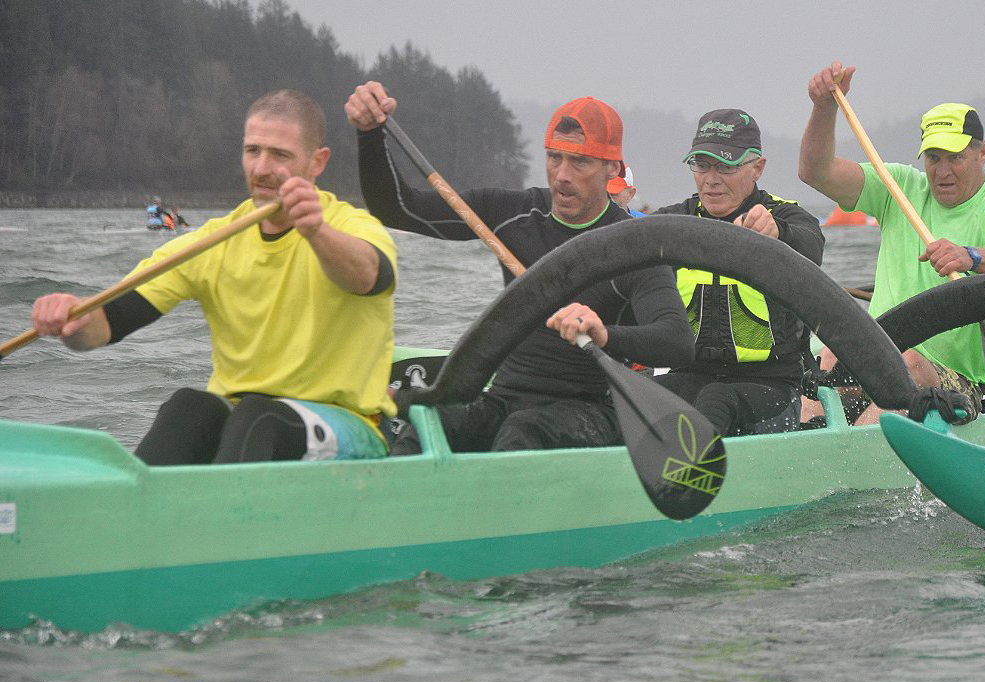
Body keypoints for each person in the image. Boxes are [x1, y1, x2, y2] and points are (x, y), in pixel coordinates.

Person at [30, 90, 399, 465]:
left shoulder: (352, 226)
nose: (261, 168)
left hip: (351, 428)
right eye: (252, 151)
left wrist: (316, 232)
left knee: (260, 417)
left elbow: (368, 276)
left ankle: (222, 516)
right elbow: (109, 323)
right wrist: (72, 321)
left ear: (317, 162)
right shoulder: (213, 240)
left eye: (280, 155)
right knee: (187, 408)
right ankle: (135, 514)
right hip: (247, 421)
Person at [346, 82, 694, 453]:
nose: (562, 174)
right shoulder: (512, 215)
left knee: (522, 433)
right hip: (504, 398)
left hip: (593, 408)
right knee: (428, 430)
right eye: (554, 157)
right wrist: (370, 135)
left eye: (580, 161)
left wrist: (603, 334)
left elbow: (677, 343)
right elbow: (398, 208)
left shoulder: (634, 246)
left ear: (612, 169)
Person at [798, 61, 985, 425]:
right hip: (883, 356)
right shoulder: (898, 189)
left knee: (905, 362)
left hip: (958, 381)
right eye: (934, 159)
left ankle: (853, 454)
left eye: (955, 158)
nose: (942, 172)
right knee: (829, 356)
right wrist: (823, 107)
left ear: (982, 153)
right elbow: (816, 171)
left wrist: (969, 256)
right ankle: (805, 443)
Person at [649, 108, 823, 436]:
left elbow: (812, 246)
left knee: (716, 397)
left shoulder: (786, 217)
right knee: (632, 393)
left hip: (771, 386)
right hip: (691, 375)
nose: (711, 179)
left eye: (726, 166)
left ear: (757, 168)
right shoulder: (672, 221)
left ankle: (691, 476)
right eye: (702, 166)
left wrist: (779, 235)